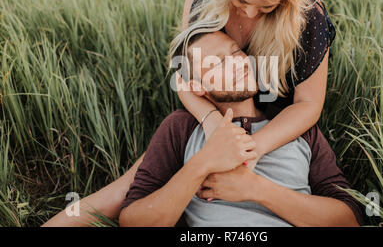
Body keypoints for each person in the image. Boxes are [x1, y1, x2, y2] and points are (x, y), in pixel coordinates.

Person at [42, 0, 339, 226]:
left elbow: (308, 105)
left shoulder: (306, 17)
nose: (249, 14)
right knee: (123, 191)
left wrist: (250, 149)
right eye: (240, 0)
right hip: (212, 116)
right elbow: (185, 79)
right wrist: (212, 128)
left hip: (278, 127)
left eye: (266, 6)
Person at [119, 30, 363, 227]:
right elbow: (133, 221)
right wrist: (203, 163)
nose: (237, 63)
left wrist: (256, 189)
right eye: (218, 64)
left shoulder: (295, 125)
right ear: (197, 87)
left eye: (235, 51)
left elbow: (349, 219)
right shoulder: (181, 129)